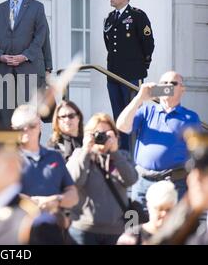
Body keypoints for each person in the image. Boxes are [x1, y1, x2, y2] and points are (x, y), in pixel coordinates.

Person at [117, 71, 201, 210]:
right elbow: (121, 126)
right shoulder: (146, 111)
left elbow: (198, 153)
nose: (168, 86)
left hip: (175, 183)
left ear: (182, 89)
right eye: (163, 83)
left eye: (173, 83)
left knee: (172, 230)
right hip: (143, 182)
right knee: (135, 226)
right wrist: (139, 98)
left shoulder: (190, 117)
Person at [0, 0, 48, 127]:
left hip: (28, 68)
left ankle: (30, 148)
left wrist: (25, 55)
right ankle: (10, 149)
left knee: (29, 115)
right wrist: (0, 56)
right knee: (8, 116)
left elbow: (40, 36)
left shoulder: (37, 7)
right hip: (4, 68)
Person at [66, 113, 138, 245]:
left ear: (115, 136)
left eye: (106, 134)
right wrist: (86, 152)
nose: (101, 137)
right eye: (96, 133)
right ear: (88, 135)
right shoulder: (78, 155)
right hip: (84, 230)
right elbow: (74, 181)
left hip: (116, 231)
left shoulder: (122, 157)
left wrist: (115, 153)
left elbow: (131, 180)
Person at [103, 0, 155, 151]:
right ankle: (122, 153)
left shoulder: (138, 16)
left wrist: (143, 64)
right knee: (119, 116)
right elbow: (109, 45)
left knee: (133, 115)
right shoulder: (110, 18)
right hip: (113, 74)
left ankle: (135, 153)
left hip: (132, 74)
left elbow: (148, 43)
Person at [11, 105, 78, 212]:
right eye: (20, 127)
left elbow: (73, 194)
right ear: (13, 129)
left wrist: (56, 200)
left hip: (53, 224)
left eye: (31, 125)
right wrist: (27, 202)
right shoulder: (7, 160)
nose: (26, 130)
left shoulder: (54, 156)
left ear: (39, 126)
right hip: (20, 225)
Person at [117, 180, 178, 245]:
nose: (164, 214)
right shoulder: (131, 237)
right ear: (149, 207)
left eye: (168, 210)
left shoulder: (180, 235)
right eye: (160, 209)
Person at [24, 0, 53, 88]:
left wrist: (48, 68)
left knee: (38, 104)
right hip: (18, 71)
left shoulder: (38, 11)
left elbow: (45, 40)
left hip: (37, 68)